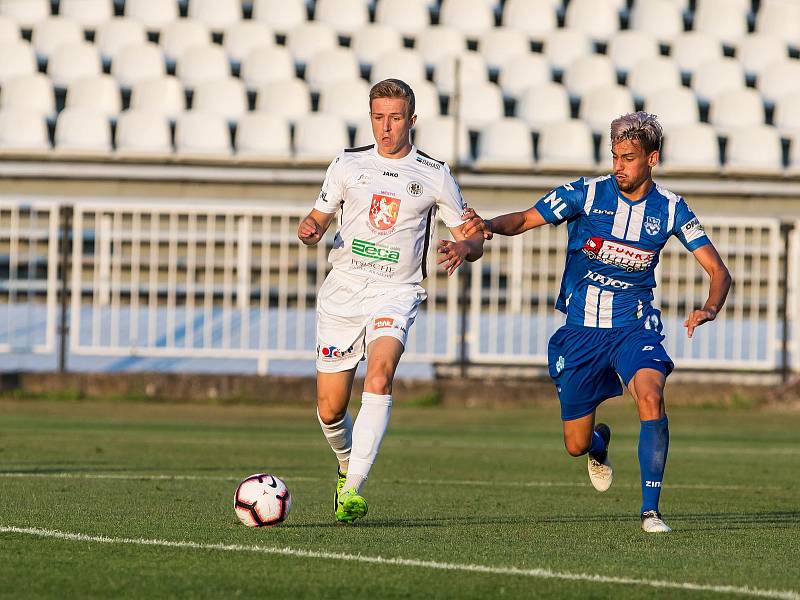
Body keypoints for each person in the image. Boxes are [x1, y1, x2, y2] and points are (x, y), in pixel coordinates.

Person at [462, 112, 731, 533]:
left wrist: (709, 308)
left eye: (628, 158)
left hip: (634, 327)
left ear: (652, 159)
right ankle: (598, 444)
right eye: (615, 156)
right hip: (581, 332)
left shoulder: (673, 208)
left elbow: (718, 271)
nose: (618, 165)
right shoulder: (585, 194)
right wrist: (489, 226)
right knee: (575, 444)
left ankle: (650, 510)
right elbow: (526, 219)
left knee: (650, 396)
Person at [297, 78, 484, 524]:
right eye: (379, 117)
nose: (386, 127)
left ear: (412, 120)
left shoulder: (435, 174)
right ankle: (345, 462)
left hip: (396, 293)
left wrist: (465, 247)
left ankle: (353, 488)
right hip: (343, 291)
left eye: (395, 118)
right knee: (330, 409)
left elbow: (472, 237)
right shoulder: (346, 164)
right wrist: (309, 230)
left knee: (379, 378)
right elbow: (317, 217)